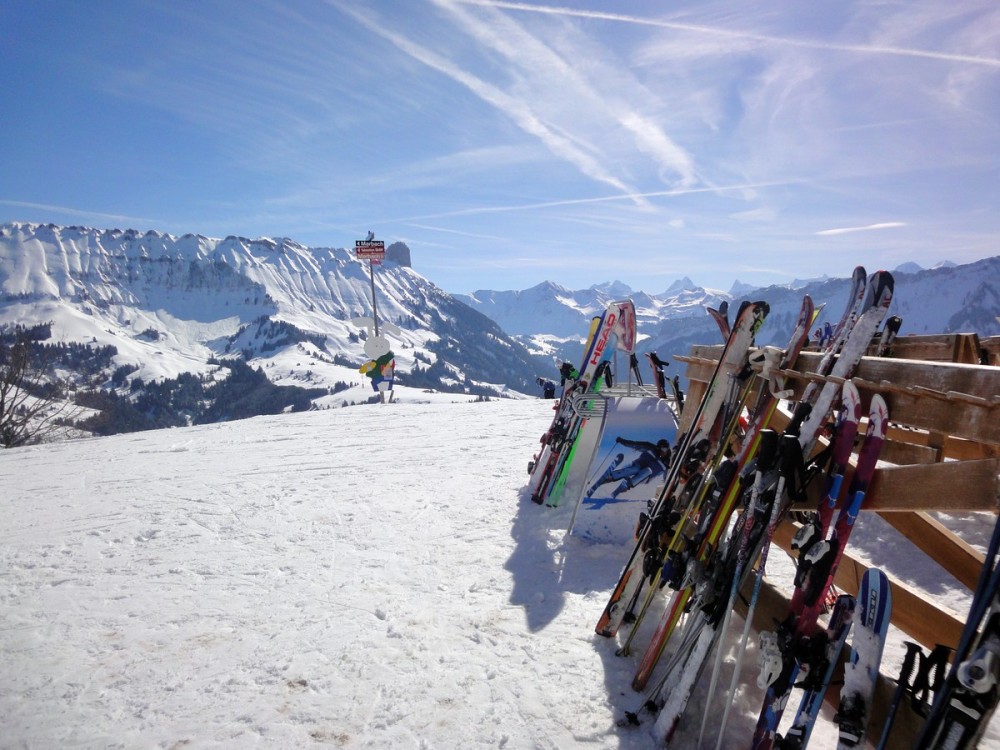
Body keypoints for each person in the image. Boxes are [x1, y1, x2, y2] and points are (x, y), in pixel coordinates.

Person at [587, 437, 672, 499]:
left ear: (667, 449)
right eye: (661, 448)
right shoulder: (651, 448)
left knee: (648, 470)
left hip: (646, 477)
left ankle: (624, 486)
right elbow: (634, 444)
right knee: (635, 469)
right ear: (657, 447)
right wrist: (622, 441)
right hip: (636, 465)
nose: (662, 451)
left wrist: (667, 484)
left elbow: (667, 475)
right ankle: (610, 477)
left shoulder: (667, 463)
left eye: (665, 449)